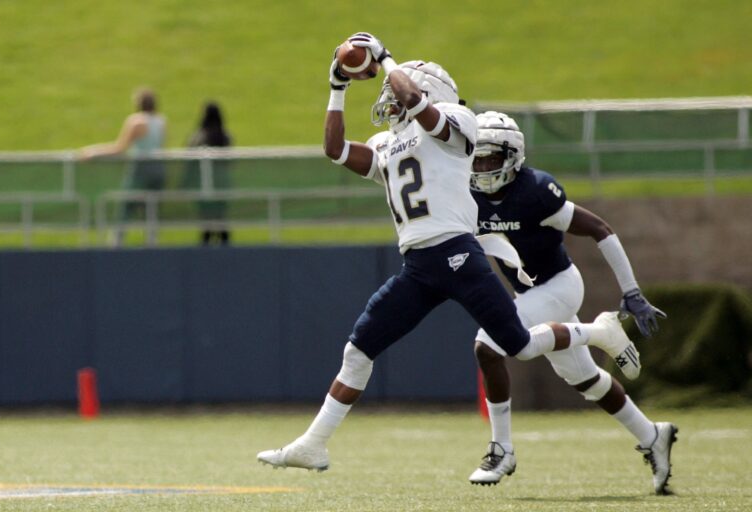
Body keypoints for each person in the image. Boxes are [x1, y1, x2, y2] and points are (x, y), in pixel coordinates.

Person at [257, 33, 641, 476]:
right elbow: (335, 150)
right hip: (418, 265)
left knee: (515, 345)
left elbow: (419, 106)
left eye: (394, 90)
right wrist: (337, 86)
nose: (389, 99)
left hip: (457, 253)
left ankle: (597, 333)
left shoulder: (456, 122)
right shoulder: (388, 144)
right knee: (358, 350)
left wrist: (385, 58)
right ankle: (313, 445)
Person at [467, 111, 676, 494]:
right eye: (475, 158)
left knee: (489, 346)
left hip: (561, 285)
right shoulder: (467, 197)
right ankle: (652, 435)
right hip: (530, 293)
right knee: (588, 382)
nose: (481, 167)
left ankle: (502, 449)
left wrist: (631, 291)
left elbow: (600, 228)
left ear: (512, 156)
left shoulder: (535, 191)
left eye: (490, 158)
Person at [78, 87, 167, 246]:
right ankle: (152, 241)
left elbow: (119, 148)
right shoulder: (161, 121)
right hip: (158, 170)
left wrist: (94, 151)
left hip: (140, 170)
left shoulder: (136, 121)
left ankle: (117, 243)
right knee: (151, 209)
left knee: (126, 206)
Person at [182, 101, 232, 246]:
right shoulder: (226, 137)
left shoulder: (198, 137)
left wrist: (186, 182)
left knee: (206, 222)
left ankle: (204, 252)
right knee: (221, 219)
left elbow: (189, 162)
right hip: (223, 185)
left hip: (203, 185)